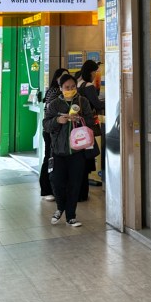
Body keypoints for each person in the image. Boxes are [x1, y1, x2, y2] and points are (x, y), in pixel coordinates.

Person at [44, 73, 95, 227]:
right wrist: (58, 120)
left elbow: (91, 121)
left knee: (75, 183)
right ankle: (60, 207)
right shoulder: (54, 104)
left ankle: (71, 216)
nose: (70, 89)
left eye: (73, 86)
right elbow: (46, 125)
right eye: (67, 87)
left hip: (77, 151)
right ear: (60, 88)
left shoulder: (82, 101)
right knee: (57, 181)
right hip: (58, 150)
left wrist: (80, 120)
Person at [39, 68, 69, 200]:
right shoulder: (55, 92)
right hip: (51, 130)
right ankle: (46, 190)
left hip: (55, 130)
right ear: (57, 78)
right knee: (49, 159)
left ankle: (53, 189)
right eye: (63, 76)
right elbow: (51, 112)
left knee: (52, 159)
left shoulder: (53, 90)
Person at [75, 60, 104, 194]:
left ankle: (79, 188)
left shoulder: (77, 83)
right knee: (88, 155)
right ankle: (83, 190)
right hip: (87, 124)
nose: (95, 75)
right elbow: (97, 104)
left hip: (77, 125)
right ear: (91, 72)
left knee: (80, 155)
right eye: (95, 72)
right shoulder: (88, 86)